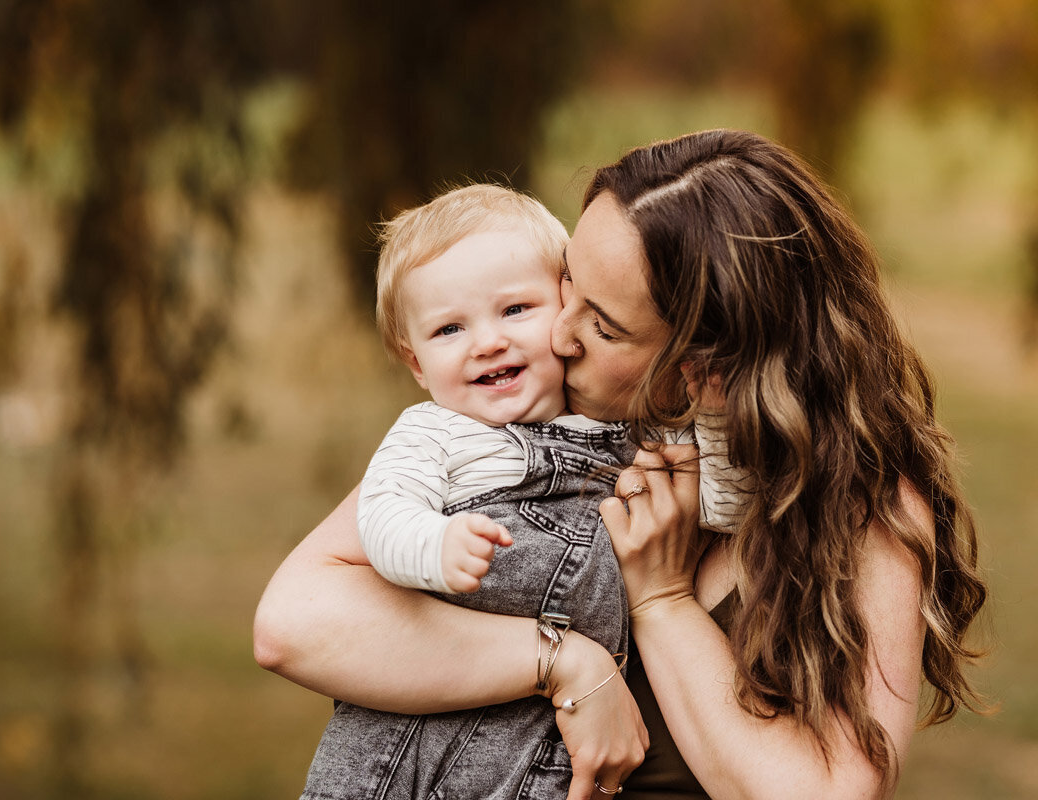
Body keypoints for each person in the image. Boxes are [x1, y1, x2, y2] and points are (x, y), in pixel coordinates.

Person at [255, 129, 988, 800]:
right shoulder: (521, 431)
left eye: (603, 325)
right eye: (567, 282)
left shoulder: (859, 511)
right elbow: (293, 622)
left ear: (709, 368)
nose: (558, 335)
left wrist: (662, 601)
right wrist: (563, 661)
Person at [301, 183, 746, 799]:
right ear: (415, 363)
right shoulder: (436, 435)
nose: (488, 341)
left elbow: (723, 501)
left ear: (564, 311)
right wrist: (434, 545)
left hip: (539, 760)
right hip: (401, 760)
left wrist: (716, 406)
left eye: (515, 311)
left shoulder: (624, 429)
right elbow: (384, 513)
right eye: (449, 329)